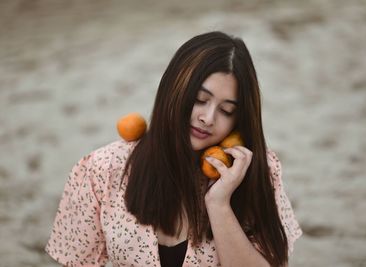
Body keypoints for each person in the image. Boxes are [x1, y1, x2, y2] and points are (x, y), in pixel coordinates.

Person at [45, 31, 302, 267]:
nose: (208, 118)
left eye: (226, 110)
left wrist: (220, 204)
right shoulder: (103, 168)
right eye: (200, 100)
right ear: (174, 90)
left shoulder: (256, 169)